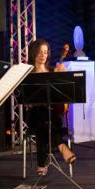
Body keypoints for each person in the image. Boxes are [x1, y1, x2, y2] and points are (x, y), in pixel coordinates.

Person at [26, 39, 77, 176]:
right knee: (42, 115)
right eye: (40, 52)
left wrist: (63, 75)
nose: (43, 55)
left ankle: (41, 164)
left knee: (48, 118)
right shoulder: (27, 74)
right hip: (34, 115)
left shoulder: (52, 71)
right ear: (33, 54)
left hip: (51, 116)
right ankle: (61, 146)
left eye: (45, 52)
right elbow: (26, 101)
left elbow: (63, 94)